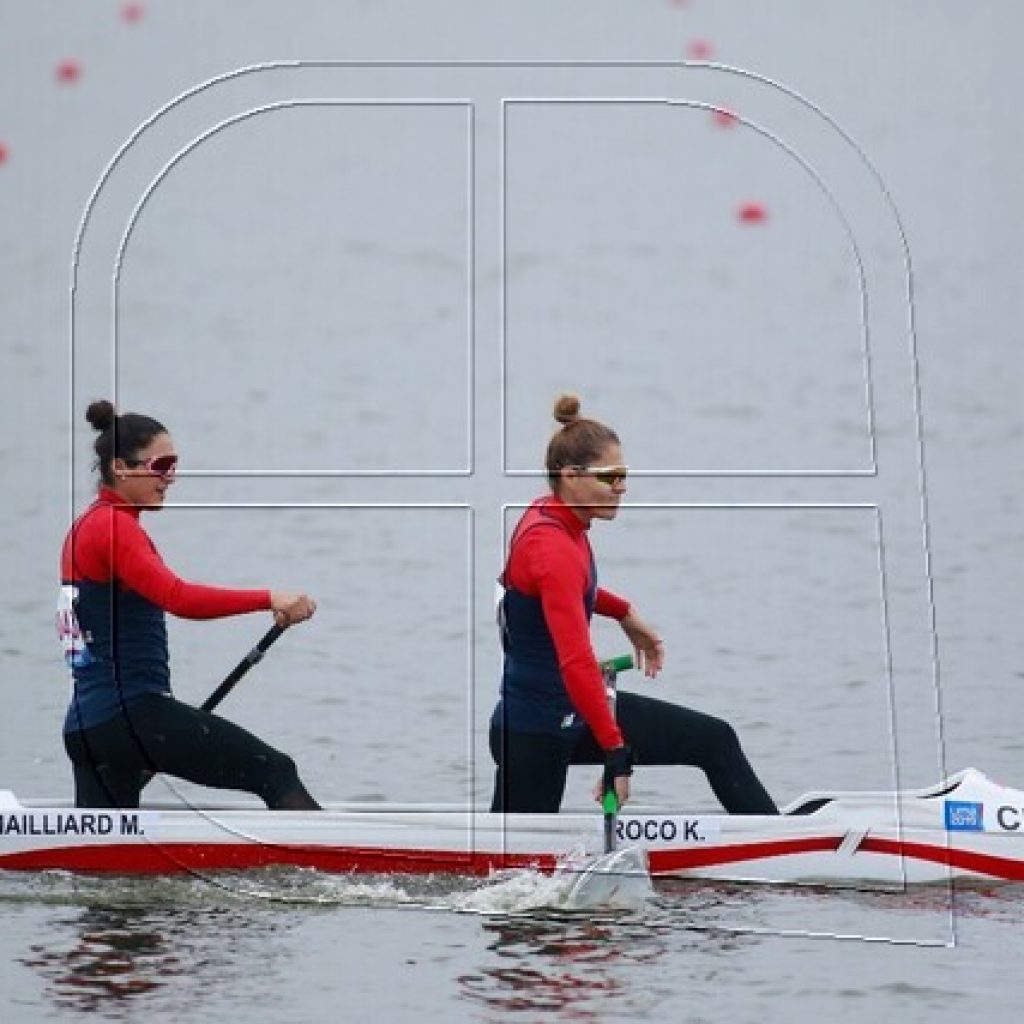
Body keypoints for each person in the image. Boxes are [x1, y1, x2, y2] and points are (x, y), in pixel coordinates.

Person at [490, 394, 779, 815]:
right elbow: (575, 661)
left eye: (624, 475)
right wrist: (616, 751)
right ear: (571, 476)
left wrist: (623, 611)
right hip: (535, 732)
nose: (622, 486)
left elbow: (566, 591)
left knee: (713, 739)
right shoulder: (551, 545)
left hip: (570, 710)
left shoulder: (552, 517)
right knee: (509, 873)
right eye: (612, 476)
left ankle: (771, 840)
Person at [57, 399, 321, 810]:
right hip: (132, 717)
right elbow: (178, 598)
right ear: (120, 468)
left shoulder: (85, 527)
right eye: (160, 467)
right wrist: (268, 597)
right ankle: (341, 871)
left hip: (89, 726)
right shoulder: (114, 528)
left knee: (107, 862)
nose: (170, 478)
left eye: (174, 466)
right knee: (274, 771)